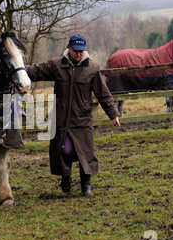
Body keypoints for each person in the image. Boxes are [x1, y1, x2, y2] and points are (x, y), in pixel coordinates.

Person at [26, 34, 121, 196]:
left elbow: (103, 93)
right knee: (65, 151)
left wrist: (113, 113)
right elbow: (35, 72)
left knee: (86, 152)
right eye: (75, 50)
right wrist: (17, 68)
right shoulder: (56, 65)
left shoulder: (92, 68)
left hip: (82, 120)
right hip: (61, 120)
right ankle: (66, 178)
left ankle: (86, 186)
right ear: (68, 48)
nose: (78, 54)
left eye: (81, 51)